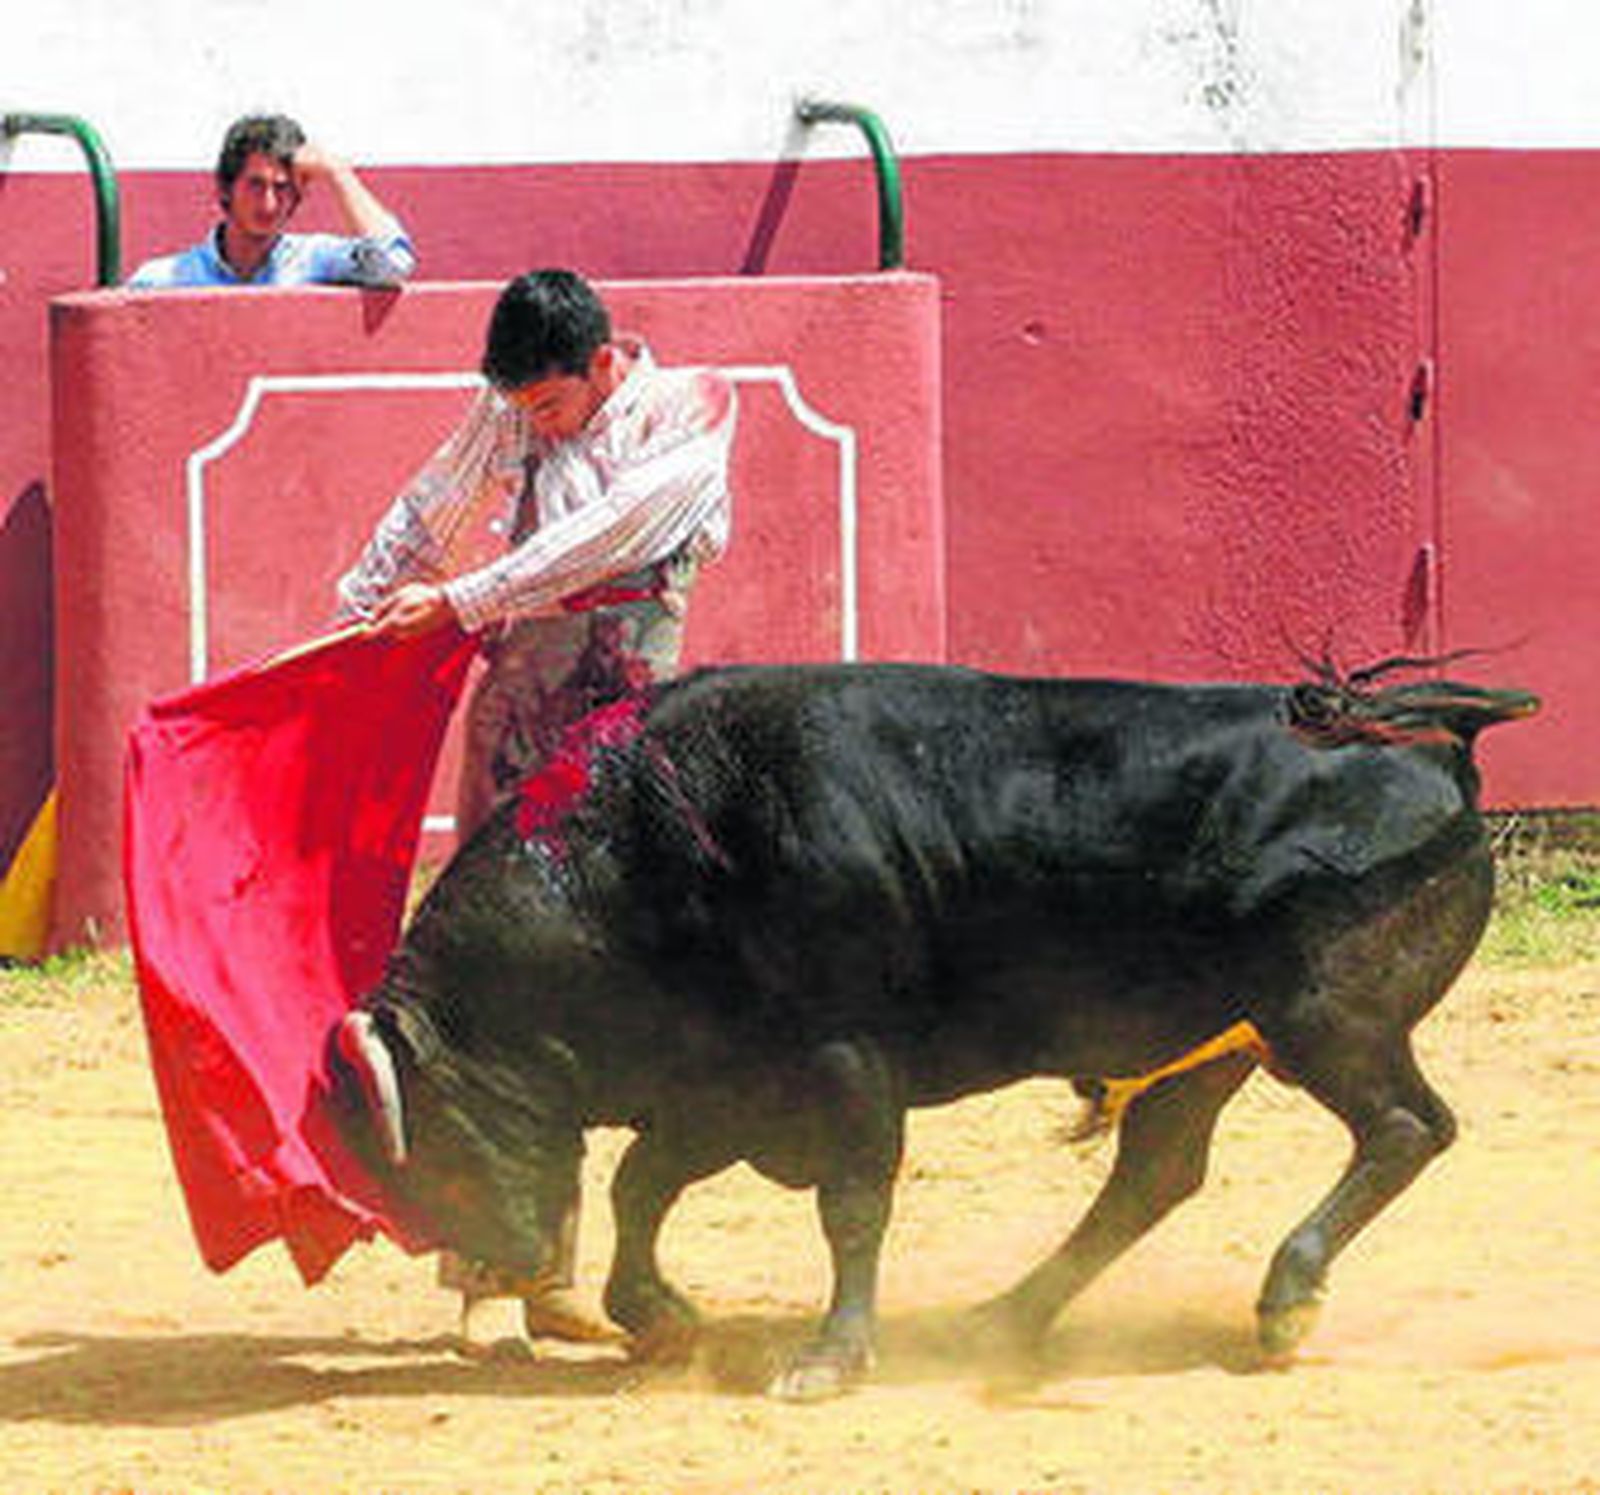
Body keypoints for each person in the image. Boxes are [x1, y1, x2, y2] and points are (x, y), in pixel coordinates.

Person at [336, 267, 737, 1354]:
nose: (530, 427)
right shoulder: (511, 398)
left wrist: (463, 598)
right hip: (521, 704)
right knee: (500, 977)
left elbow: (606, 535)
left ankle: (564, 1273)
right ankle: (492, 1281)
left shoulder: (696, 407)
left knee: (605, 980)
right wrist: (354, 615)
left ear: (604, 363)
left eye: (549, 407)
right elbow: (439, 495)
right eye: (518, 409)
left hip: (627, 722)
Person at [127, 113, 416, 288]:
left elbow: (393, 264)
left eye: (282, 188)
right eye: (255, 185)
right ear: (225, 189)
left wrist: (338, 173)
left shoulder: (314, 261)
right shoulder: (165, 279)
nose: (268, 203)